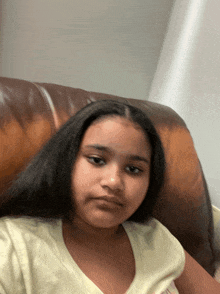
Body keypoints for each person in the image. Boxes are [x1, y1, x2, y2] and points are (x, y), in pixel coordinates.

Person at [0, 100, 219, 294]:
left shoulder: (154, 238)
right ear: (66, 161)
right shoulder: (13, 245)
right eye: (97, 160)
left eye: (134, 169)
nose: (114, 182)